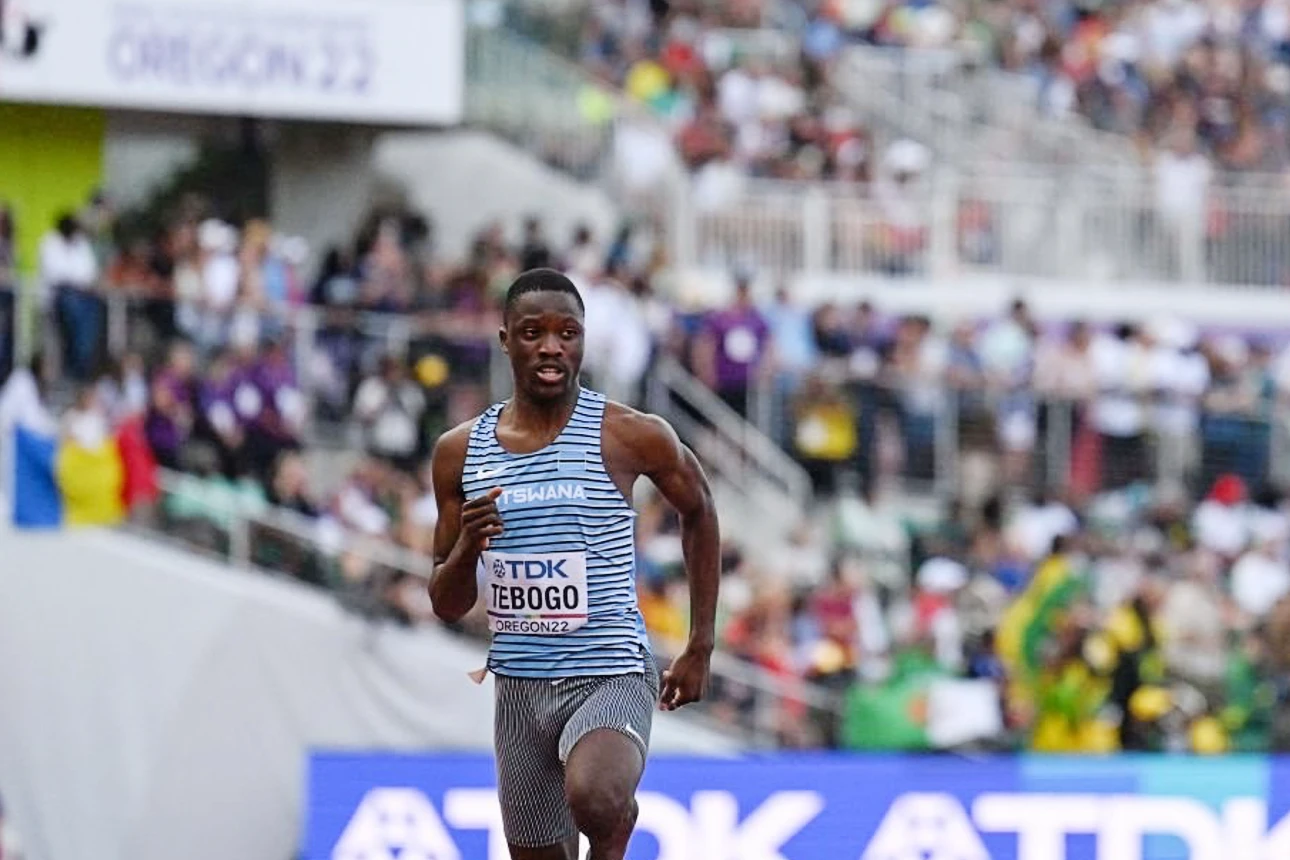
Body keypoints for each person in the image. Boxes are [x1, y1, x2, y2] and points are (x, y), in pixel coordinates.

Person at [428, 268, 720, 860]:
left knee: (596, 798)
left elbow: (701, 510)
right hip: (519, 687)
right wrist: (466, 548)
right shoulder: (460, 452)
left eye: (569, 333)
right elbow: (446, 603)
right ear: (506, 339)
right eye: (533, 333)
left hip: (610, 669)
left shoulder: (630, 435)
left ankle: (616, 824)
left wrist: (700, 644)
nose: (552, 347)